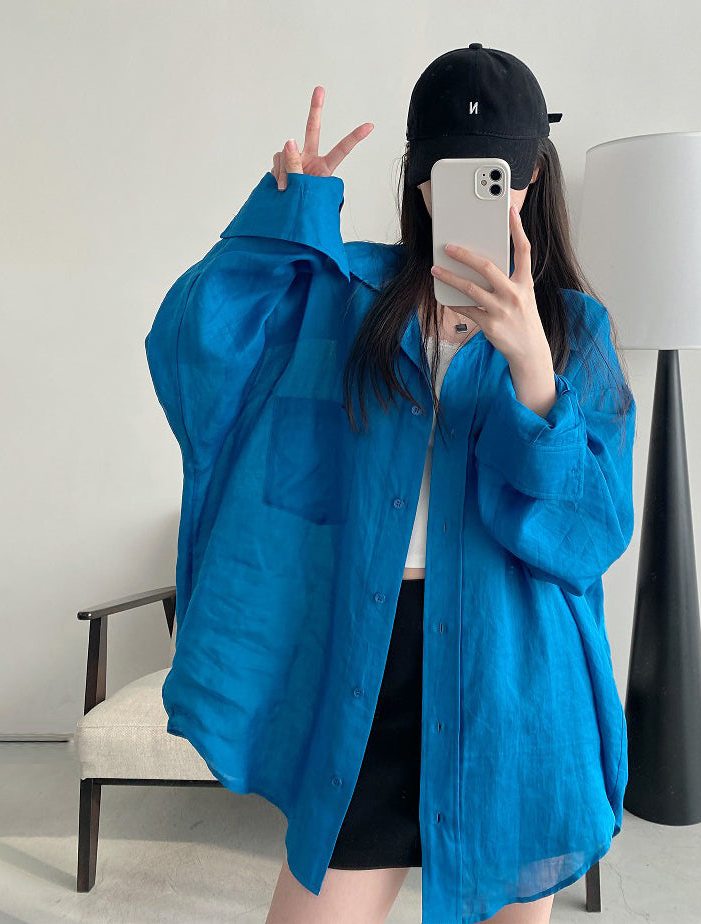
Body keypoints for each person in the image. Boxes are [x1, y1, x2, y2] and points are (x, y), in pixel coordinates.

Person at [146, 44, 636, 924]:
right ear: (417, 177)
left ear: (534, 176)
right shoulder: (342, 294)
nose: (481, 198)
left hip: (513, 678)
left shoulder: (574, 329)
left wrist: (533, 372)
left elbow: (591, 535)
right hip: (361, 669)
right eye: (452, 174)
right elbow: (199, 352)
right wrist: (285, 220)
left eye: (500, 176)